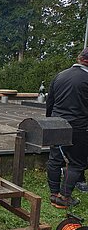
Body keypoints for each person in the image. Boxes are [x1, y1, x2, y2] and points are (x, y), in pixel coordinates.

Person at [46, 47, 88, 208]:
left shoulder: (60, 76)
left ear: (80, 59)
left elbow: (50, 102)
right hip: (78, 126)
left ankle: (53, 194)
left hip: (56, 123)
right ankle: (64, 198)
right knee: (77, 162)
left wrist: (50, 122)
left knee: (55, 159)